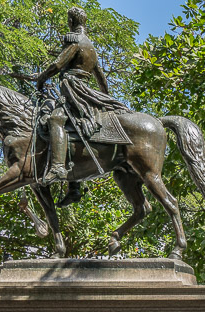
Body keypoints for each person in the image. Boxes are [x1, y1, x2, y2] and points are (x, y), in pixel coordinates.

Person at [35, 6, 130, 183]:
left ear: (70, 22)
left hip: (74, 90)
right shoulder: (91, 46)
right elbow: (101, 78)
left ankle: (57, 168)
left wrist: (40, 79)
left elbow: (57, 65)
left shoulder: (75, 41)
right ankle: (74, 186)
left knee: (56, 118)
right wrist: (104, 98)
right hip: (85, 91)